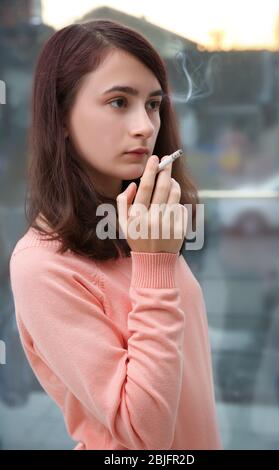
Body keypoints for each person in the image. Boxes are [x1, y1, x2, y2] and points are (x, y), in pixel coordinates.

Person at [9, 19, 222, 450]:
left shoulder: (139, 227)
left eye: (153, 104)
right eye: (119, 102)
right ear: (62, 116)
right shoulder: (41, 265)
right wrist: (156, 265)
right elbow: (145, 435)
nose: (145, 126)